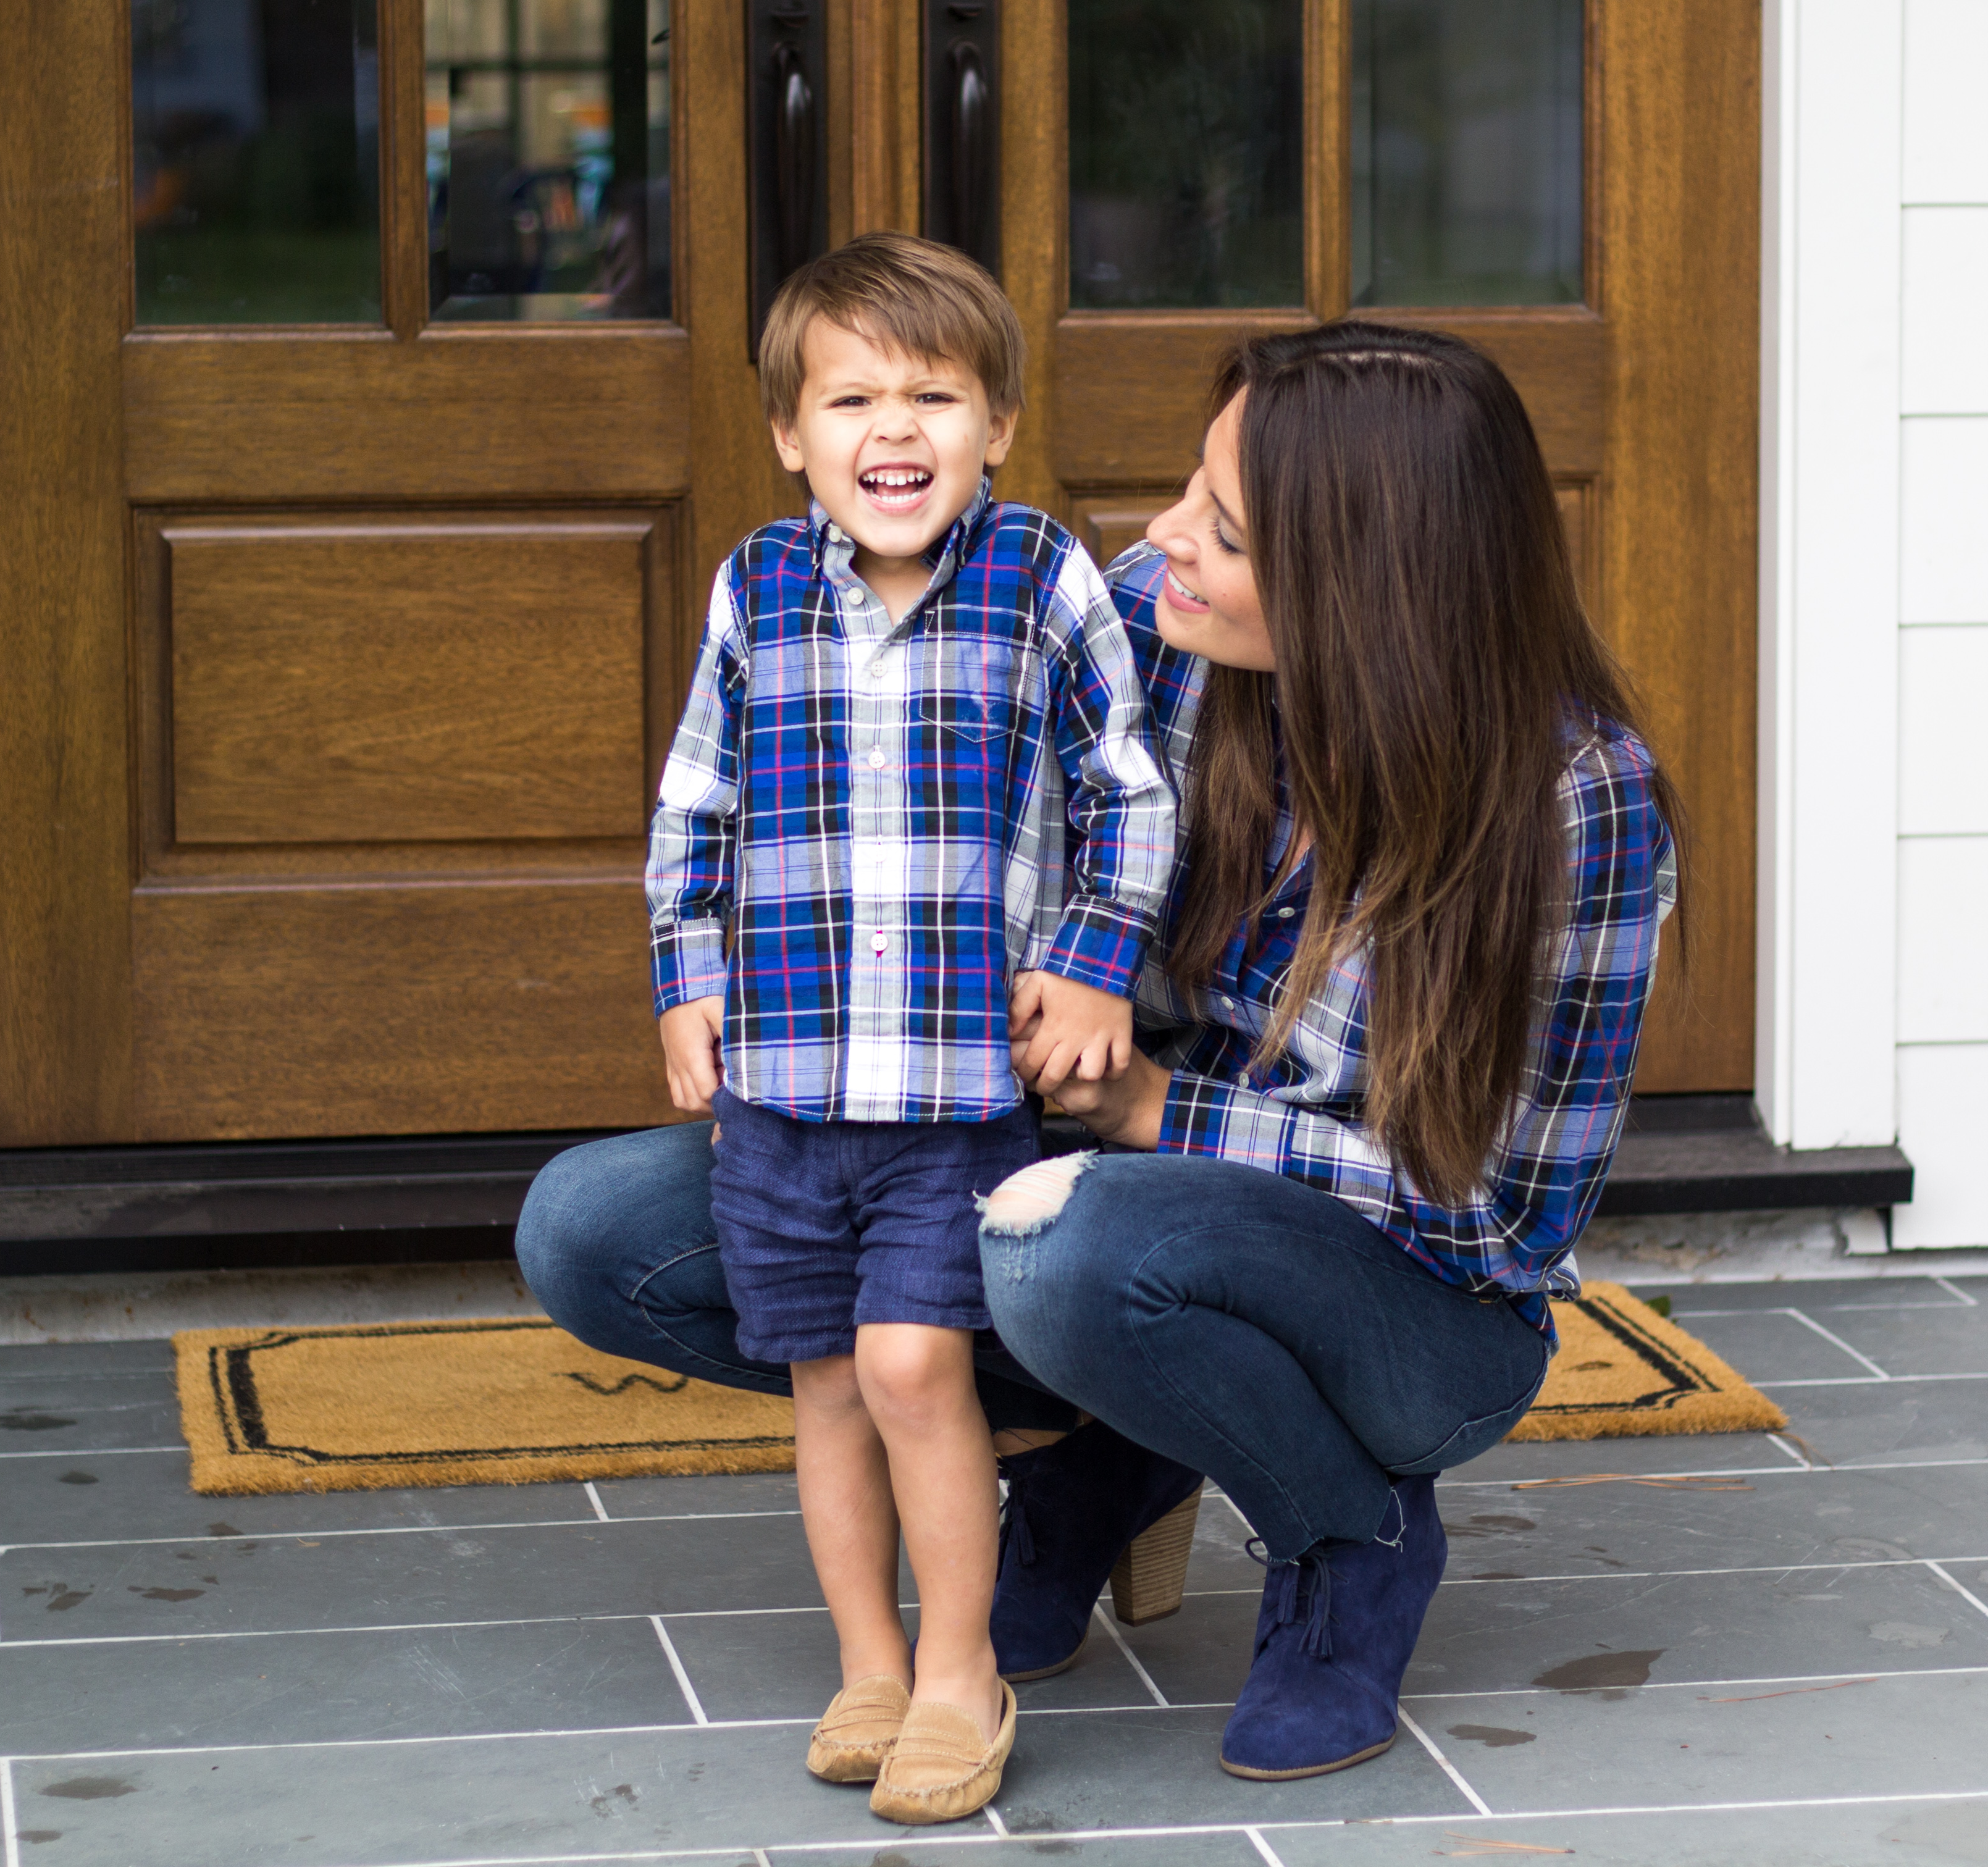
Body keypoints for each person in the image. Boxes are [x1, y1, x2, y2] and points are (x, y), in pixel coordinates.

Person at [520, 319, 1677, 1790]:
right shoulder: (1145, 622)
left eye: (1224, 530)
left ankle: (1350, 1538)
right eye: (1192, 492)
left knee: (1064, 1248)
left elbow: (1502, 1221)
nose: (1162, 538)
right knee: (596, 1233)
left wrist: (1146, 1111)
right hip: (1073, 1180)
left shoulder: (1575, 806)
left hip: (1413, 1307)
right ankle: (1100, 1455)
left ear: (1369, 585)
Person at [645, 231, 1176, 1823]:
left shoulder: (1039, 580)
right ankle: (867, 1662)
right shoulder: (754, 585)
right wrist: (686, 976)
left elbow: (1129, 796)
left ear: (997, 425)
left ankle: (963, 1670)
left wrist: (1090, 962)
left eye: (934, 396)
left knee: (910, 1367)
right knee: (822, 1380)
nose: (895, 431)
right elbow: (696, 804)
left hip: (952, 1089)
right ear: (789, 435)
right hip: (787, 1092)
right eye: (852, 398)